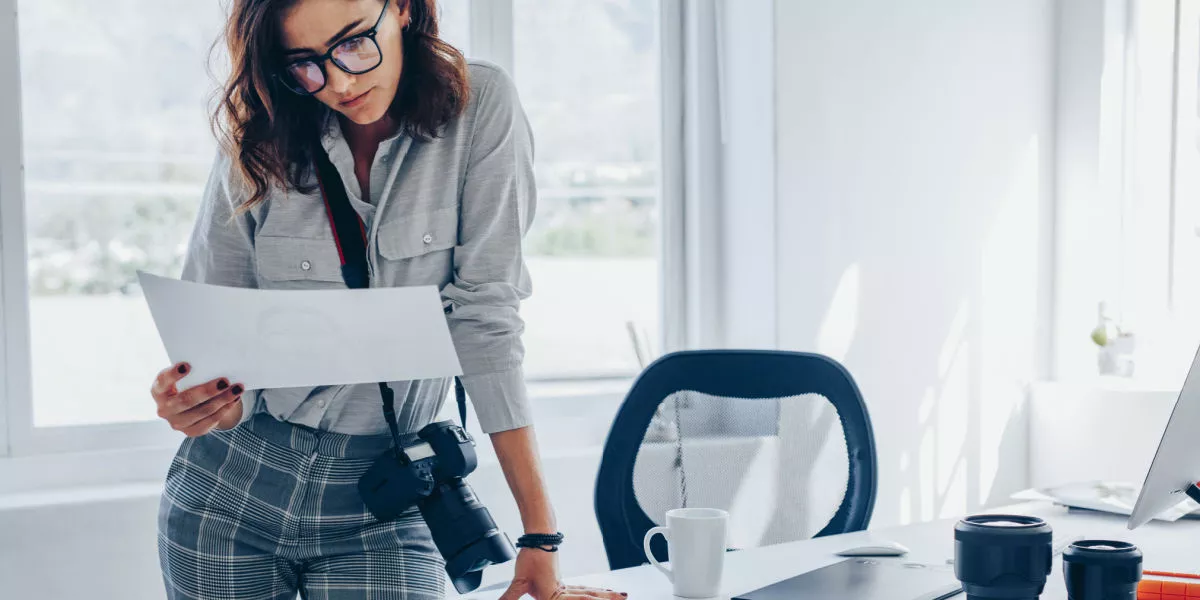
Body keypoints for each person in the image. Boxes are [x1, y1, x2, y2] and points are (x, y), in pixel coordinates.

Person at [148, 1, 627, 598]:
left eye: (353, 43)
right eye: (305, 63)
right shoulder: (260, 135)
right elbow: (218, 336)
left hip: (389, 494)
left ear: (401, 8)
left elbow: (486, 321)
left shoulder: (481, 106)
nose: (340, 83)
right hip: (231, 490)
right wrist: (204, 404)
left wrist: (540, 536)